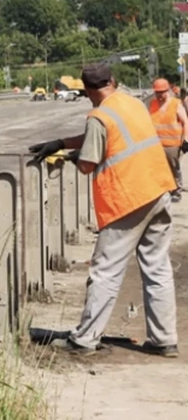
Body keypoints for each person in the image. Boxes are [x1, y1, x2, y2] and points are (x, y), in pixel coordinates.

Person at [28, 63, 178, 357]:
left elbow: (88, 164)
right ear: (113, 80)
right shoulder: (133, 103)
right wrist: (61, 142)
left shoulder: (98, 116)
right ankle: (164, 340)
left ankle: (84, 340)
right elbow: (109, 136)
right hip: (158, 190)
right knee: (157, 267)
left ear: (87, 91)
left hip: (127, 199)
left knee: (105, 271)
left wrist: (72, 156)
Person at [148, 78, 188, 202]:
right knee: (159, 167)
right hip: (156, 144)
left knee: (173, 167)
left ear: (168, 91)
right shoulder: (153, 104)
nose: (159, 95)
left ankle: (176, 189)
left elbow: (185, 122)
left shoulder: (176, 104)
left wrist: (186, 140)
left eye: (162, 92)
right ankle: (164, 189)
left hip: (172, 144)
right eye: (157, 92)